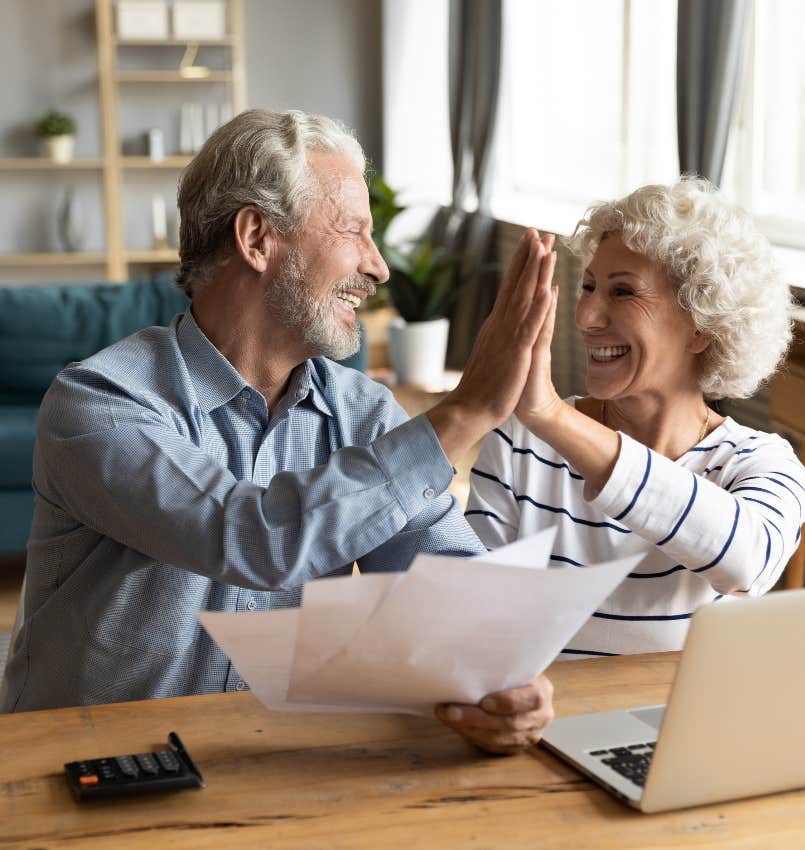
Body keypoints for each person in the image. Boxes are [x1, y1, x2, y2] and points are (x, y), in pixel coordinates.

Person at [1, 109, 556, 754]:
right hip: (83, 768)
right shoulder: (99, 400)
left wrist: (503, 675)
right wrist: (462, 414)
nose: (377, 269)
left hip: (260, 759)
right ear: (257, 238)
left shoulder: (362, 413)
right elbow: (252, 538)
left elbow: (446, 584)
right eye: (354, 232)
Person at [466, 178, 805, 658]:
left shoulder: (760, 464)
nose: (586, 315)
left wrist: (551, 416)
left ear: (701, 327)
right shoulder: (522, 442)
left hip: (686, 728)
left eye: (623, 292)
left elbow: (746, 561)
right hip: (542, 722)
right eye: (588, 286)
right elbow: (473, 618)